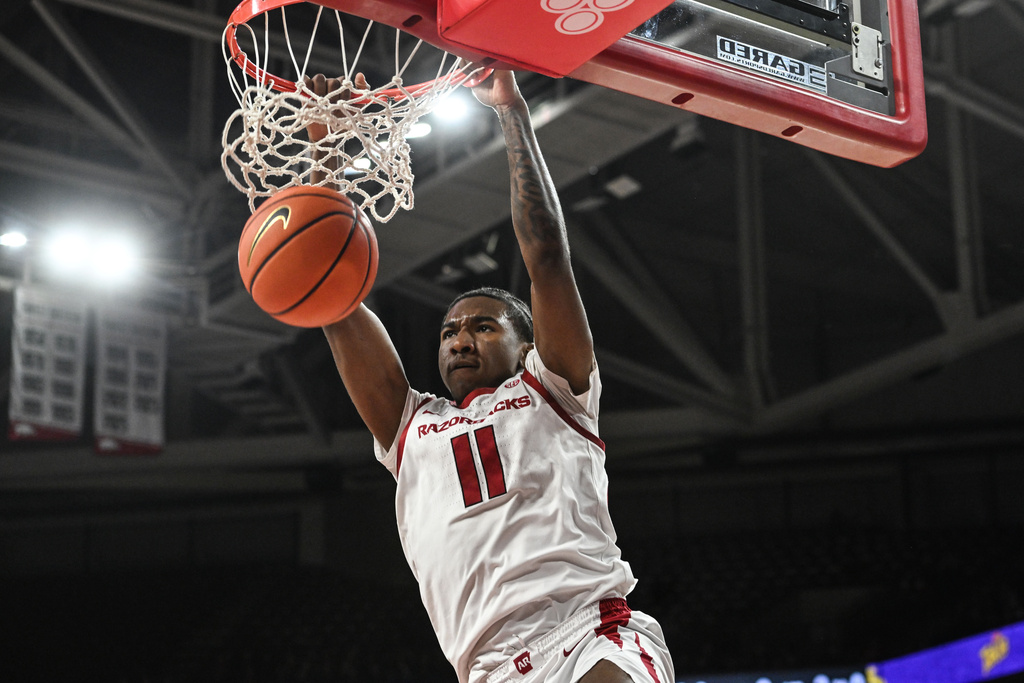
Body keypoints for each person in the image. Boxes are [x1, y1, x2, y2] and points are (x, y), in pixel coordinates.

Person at [314, 69, 675, 683]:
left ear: (528, 343)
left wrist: (511, 114)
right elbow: (332, 297)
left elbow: (547, 256)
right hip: (488, 668)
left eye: (483, 326)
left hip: (588, 631)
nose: (460, 339)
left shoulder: (553, 388)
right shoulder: (412, 427)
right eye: (450, 331)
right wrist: (322, 164)